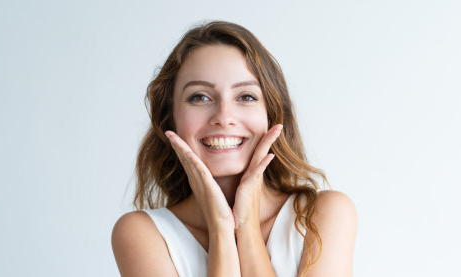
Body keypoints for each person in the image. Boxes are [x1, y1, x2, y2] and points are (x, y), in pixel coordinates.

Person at [112, 21, 357, 277]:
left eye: (246, 96)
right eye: (200, 96)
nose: (224, 116)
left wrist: (246, 226)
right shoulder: (143, 233)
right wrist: (220, 228)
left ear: (271, 114)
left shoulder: (323, 215)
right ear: (169, 118)